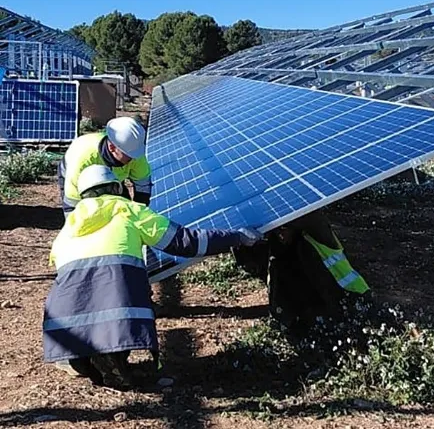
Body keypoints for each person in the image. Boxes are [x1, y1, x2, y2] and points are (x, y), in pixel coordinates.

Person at [43, 165, 262, 389]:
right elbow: (184, 241)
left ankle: (85, 360)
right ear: (117, 188)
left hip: (65, 313)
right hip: (115, 299)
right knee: (123, 289)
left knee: (94, 294)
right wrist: (235, 238)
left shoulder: (69, 227)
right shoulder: (128, 210)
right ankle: (112, 357)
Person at [233, 209, 370, 335]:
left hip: (352, 298)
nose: (281, 234)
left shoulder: (318, 233)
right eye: (277, 231)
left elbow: (306, 214)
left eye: (284, 228)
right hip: (315, 314)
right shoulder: (277, 252)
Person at [58, 117, 152, 217]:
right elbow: (72, 205)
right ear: (112, 147)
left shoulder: (135, 154)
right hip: (81, 179)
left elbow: (143, 188)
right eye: (129, 155)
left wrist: (138, 216)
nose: (133, 159)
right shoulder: (82, 160)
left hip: (113, 179)